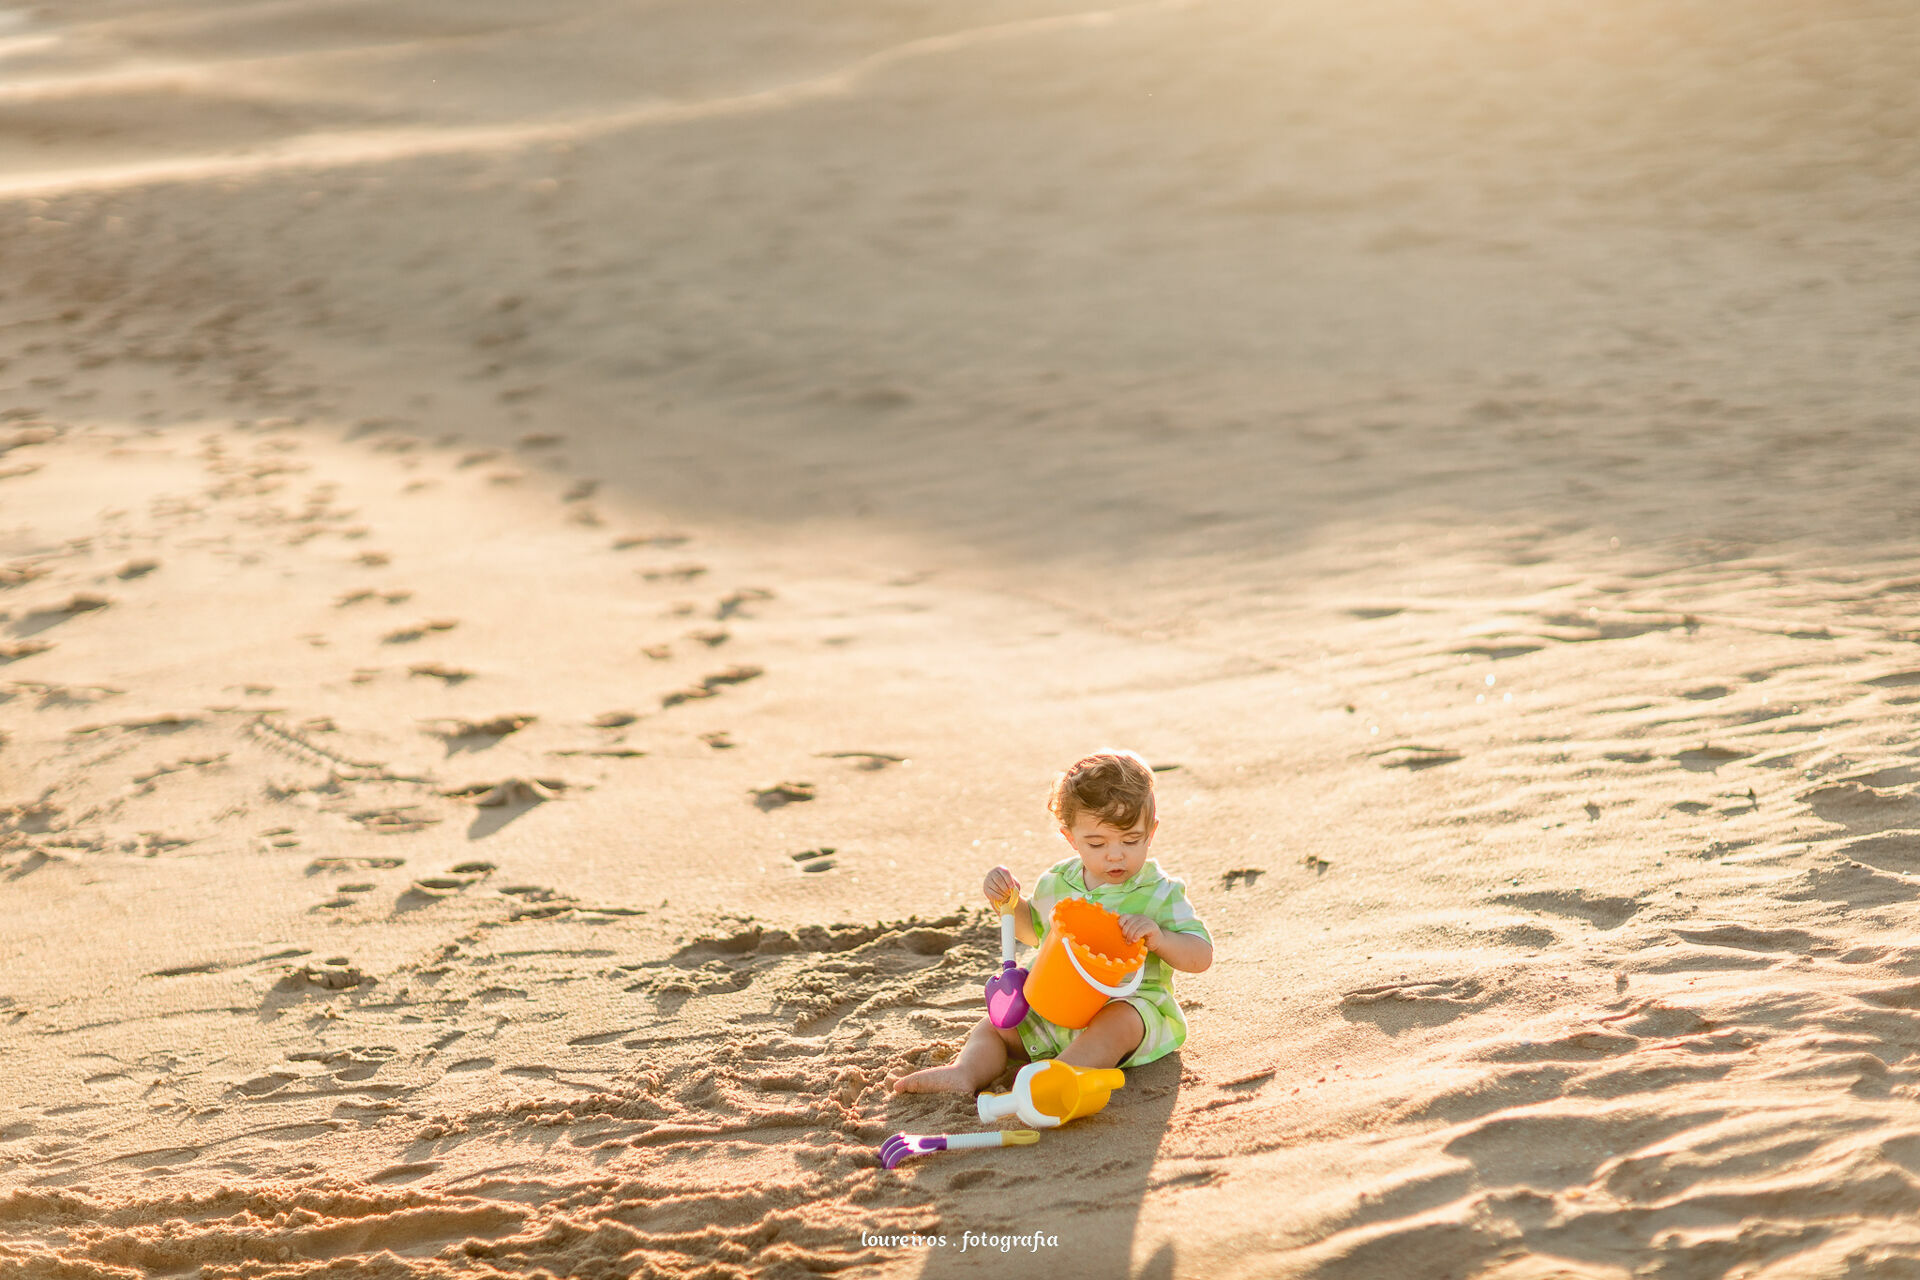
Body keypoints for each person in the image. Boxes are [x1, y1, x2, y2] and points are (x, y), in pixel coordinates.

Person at [889, 749, 1213, 1094]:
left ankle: (1059, 1077)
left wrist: (1161, 938)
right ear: (1071, 838)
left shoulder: (1159, 892)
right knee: (997, 1025)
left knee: (1118, 1023)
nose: (1116, 854)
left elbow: (1201, 955)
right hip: (1056, 1005)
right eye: (1096, 842)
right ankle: (965, 1072)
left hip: (1127, 1009)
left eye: (1131, 840)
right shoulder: (1057, 882)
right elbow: (1034, 934)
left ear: (1151, 831)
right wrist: (1008, 903)